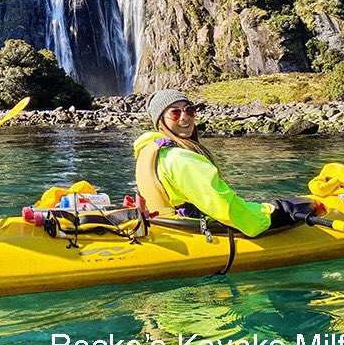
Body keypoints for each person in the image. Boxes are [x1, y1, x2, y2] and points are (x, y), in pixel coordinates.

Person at [134, 89, 312, 237]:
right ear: (160, 121)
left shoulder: (151, 151)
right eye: (175, 112)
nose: (185, 117)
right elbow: (224, 206)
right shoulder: (181, 159)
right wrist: (273, 214)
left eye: (189, 110)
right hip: (193, 232)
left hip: (169, 228)